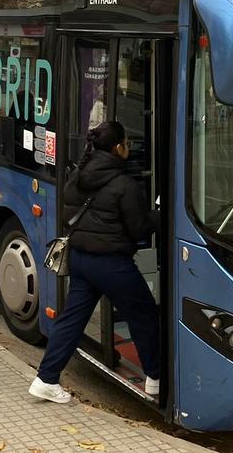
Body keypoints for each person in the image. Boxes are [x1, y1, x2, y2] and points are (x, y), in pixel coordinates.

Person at [28, 121, 160, 404]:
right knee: (144, 316)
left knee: (72, 320)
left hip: (81, 260)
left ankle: (46, 379)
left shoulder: (78, 175)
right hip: (112, 264)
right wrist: (158, 214)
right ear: (118, 148)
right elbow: (139, 229)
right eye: (127, 141)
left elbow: (67, 215)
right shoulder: (125, 184)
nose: (130, 146)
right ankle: (155, 378)